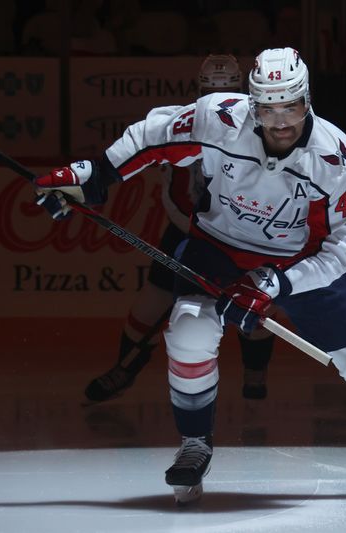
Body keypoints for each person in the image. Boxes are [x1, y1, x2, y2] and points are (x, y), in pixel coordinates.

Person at [34, 47, 346, 505]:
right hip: (218, 246)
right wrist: (92, 175)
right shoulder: (220, 119)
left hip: (299, 263)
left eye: (290, 105)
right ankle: (194, 443)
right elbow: (153, 135)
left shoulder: (334, 157)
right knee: (189, 326)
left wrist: (274, 283)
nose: (281, 120)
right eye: (268, 107)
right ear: (252, 103)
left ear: (307, 100)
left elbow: (341, 248)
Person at [82, 54, 277, 403]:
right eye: (210, 91)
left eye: (230, 90)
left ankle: (255, 370)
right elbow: (172, 190)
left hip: (243, 238)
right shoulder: (187, 124)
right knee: (149, 309)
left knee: (254, 306)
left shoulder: (261, 130)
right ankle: (125, 368)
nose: (220, 99)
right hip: (187, 234)